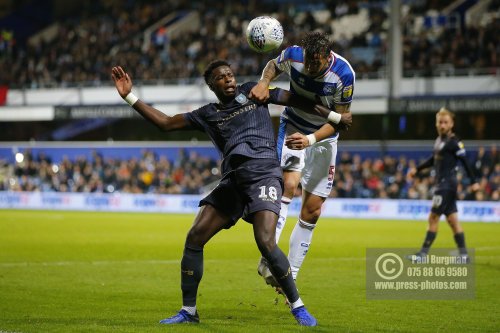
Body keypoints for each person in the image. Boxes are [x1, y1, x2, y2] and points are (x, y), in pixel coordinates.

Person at [111, 60, 350, 326]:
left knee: (266, 242)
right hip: (234, 181)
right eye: (221, 77)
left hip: (264, 174)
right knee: (195, 236)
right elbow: (166, 123)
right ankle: (188, 312)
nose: (228, 79)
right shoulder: (207, 114)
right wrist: (129, 97)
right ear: (211, 85)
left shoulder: (254, 91)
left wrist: (333, 116)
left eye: (230, 75)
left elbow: (294, 99)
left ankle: (298, 307)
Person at [249, 31, 355, 285]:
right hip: (294, 125)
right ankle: (269, 256)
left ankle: (290, 277)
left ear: (327, 57)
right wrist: (264, 83)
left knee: (313, 210)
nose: (308, 67)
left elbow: (341, 122)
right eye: (307, 61)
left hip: (323, 138)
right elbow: (273, 65)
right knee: (288, 185)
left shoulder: (344, 75)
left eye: (315, 63)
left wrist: (311, 140)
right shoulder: (295, 55)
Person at [407, 107, 479, 261]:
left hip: (446, 185)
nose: (442, 125)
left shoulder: (455, 142)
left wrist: (474, 182)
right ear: (436, 124)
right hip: (444, 185)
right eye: (440, 122)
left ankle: (422, 255)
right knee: (453, 221)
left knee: (433, 218)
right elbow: (433, 160)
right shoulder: (439, 141)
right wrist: (417, 169)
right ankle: (464, 256)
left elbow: (465, 162)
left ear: (451, 124)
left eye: (446, 122)